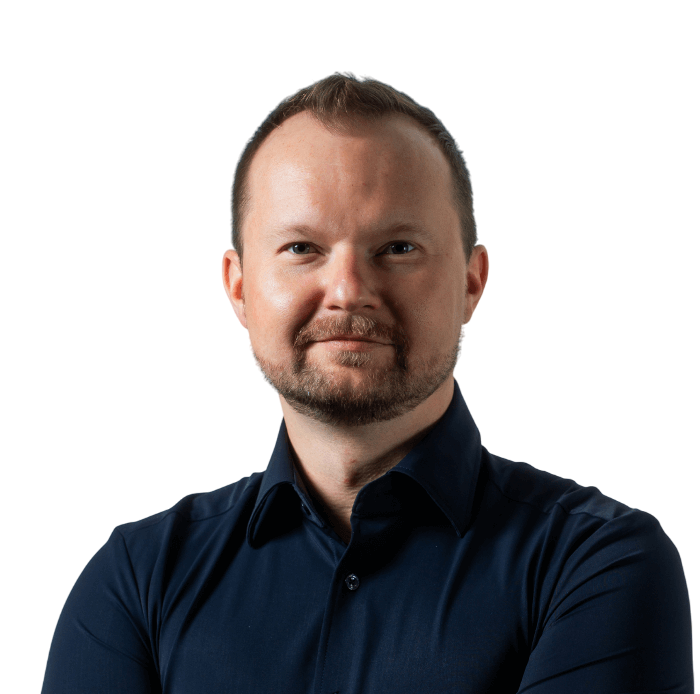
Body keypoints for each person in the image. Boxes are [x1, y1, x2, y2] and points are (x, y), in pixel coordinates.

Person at [42, 72, 692, 693]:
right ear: (238, 288)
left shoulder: (595, 561)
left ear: (472, 282)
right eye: (302, 248)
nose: (349, 290)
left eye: (398, 248)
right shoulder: (134, 580)